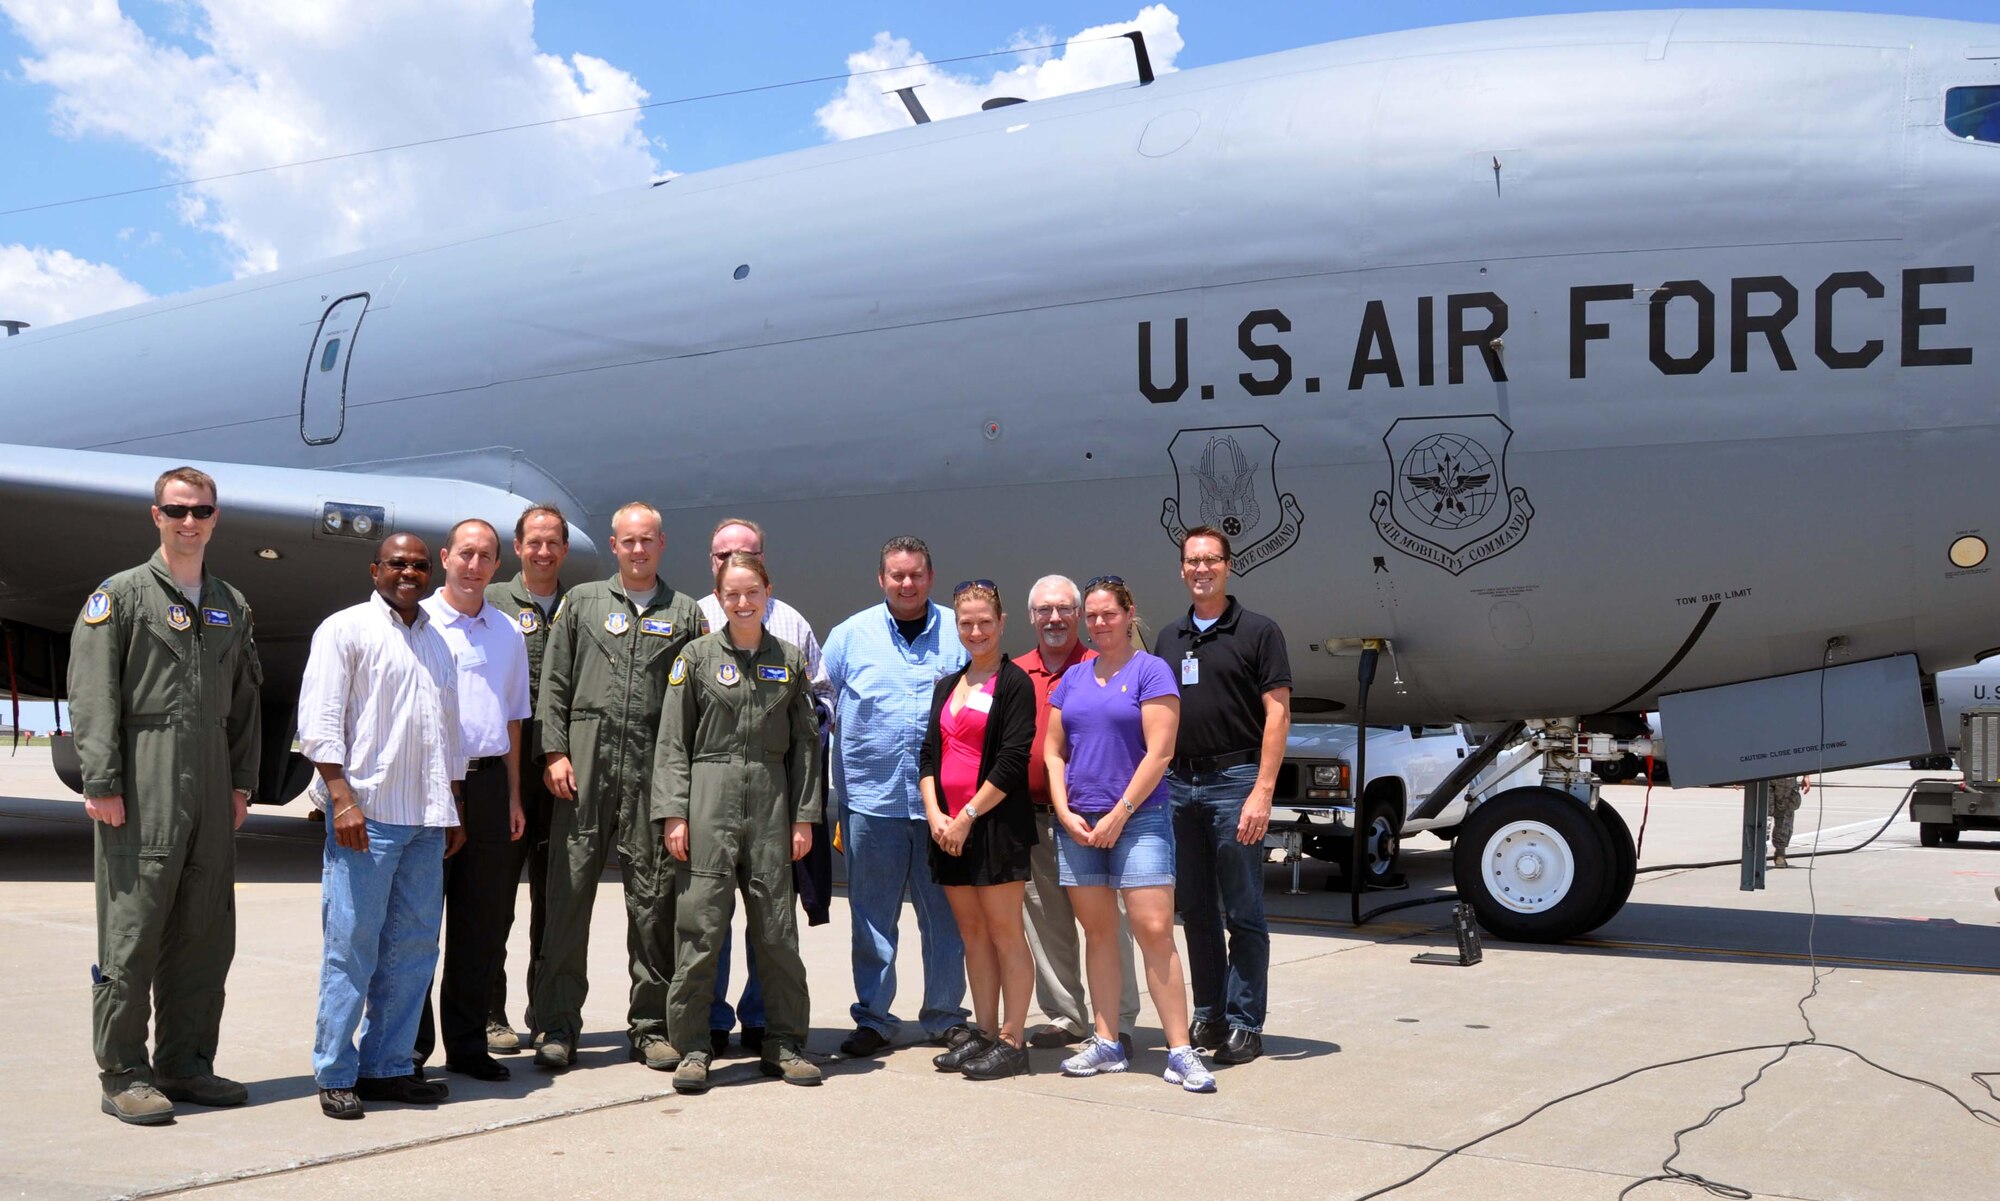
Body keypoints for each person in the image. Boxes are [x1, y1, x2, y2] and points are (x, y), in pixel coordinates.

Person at [69, 466, 261, 1125]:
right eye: (176, 509)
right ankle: (123, 1070)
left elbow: (245, 701)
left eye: (201, 509)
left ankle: (187, 1063)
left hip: (210, 776)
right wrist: (103, 782)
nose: (189, 520)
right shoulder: (119, 596)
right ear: (156, 514)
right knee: (134, 930)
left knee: (206, 930)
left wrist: (240, 781)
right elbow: (93, 694)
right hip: (144, 773)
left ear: (214, 518)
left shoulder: (230, 603)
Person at [531, 503, 705, 1072]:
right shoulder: (581, 604)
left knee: (653, 905)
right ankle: (556, 1025)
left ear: (661, 543)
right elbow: (553, 682)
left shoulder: (684, 614)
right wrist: (555, 751)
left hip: (651, 774)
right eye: (628, 541)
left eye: (647, 540)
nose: (637, 550)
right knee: (567, 899)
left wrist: (680, 786)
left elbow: (694, 705)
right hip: (583, 770)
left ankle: (651, 1026)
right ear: (614, 544)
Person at [299, 533, 466, 1120]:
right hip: (365, 817)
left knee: (415, 947)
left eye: (419, 565)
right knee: (352, 946)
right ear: (375, 569)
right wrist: (341, 798)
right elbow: (320, 722)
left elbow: (448, 734)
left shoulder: (438, 642)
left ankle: (389, 1066)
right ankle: (335, 1071)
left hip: (425, 818)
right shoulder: (344, 629)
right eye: (397, 563)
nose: (409, 572)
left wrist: (452, 808)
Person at [655, 551, 824, 1093]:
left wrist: (804, 817)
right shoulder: (696, 658)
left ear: (767, 592)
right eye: (733, 593)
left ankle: (783, 1041)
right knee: (702, 926)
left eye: (752, 592)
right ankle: (693, 1046)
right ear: (719, 597)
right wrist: (674, 813)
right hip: (708, 797)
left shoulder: (791, 660)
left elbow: (805, 748)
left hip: (773, 803)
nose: (743, 602)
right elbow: (672, 742)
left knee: (776, 927)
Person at [1046, 577, 1214, 1093]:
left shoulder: (1152, 671)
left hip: (1137, 820)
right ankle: (1106, 1041)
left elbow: (1160, 753)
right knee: (1098, 935)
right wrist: (1063, 809)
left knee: (1155, 931)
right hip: (1078, 821)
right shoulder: (1072, 679)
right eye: (1091, 616)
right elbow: (1054, 752)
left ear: (1128, 614)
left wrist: (1120, 812)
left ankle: (1180, 1051)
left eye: (1108, 614)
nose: (1099, 623)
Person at [692, 518, 833, 1059]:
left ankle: (759, 1015)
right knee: (709, 915)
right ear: (712, 561)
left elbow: (821, 697)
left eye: (744, 553)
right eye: (723, 553)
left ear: (764, 564)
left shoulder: (792, 625)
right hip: (715, 795)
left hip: (771, 794)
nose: (733, 561)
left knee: (769, 915)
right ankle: (708, 1018)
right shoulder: (696, 619)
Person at [823, 535, 969, 1056]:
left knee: (946, 919)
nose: (906, 584)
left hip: (943, 808)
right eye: (896, 575)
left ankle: (946, 1016)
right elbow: (826, 708)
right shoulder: (848, 637)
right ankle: (874, 1018)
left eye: (916, 574)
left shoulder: (961, 632)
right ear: (881, 579)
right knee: (871, 916)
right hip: (871, 801)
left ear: (930, 576)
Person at [1153, 526, 1291, 1067]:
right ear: (1182, 570)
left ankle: (1244, 1022)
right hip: (1178, 787)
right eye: (1193, 561)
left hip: (1235, 781)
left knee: (1244, 910)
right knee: (1197, 912)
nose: (1202, 568)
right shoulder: (1169, 638)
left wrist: (1262, 791)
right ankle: (1209, 1012)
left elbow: (1277, 714)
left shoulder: (1259, 632)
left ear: (1228, 566)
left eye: (1211, 559)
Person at [413, 520, 531, 1083]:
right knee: (416, 921)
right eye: (465, 553)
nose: (474, 565)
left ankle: (465, 1042)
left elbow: (512, 719)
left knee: (479, 924)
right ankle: (408, 1047)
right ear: (445, 558)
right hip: (431, 783)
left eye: (485, 556)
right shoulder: (419, 622)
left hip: (486, 787)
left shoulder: (508, 631)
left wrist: (512, 795)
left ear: (496, 566)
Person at [918, 581, 1038, 1080]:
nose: (975, 631)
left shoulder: (1014, 683)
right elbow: (927, 755)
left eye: (984, 621)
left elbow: (1012, 762)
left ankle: (1014, 1038)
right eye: (966, 622)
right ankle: (984, 1032)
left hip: (993, 828)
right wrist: (937, 816)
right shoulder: (949, 684)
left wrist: (967, 817)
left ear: (1001, 622)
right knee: (972, 935)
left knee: (1005, 932)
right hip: (948, 829)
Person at [1016, 574, 1140, 1052]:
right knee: (1046, 921)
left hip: (1099, 817)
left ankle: (1121, 1019)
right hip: (1036, 814)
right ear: (1030, 617)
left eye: (1065, 609)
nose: (1054, 618)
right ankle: (1067, 1015)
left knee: (1109, 922)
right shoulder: (1015, 672)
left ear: (1080, 616)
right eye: (1044, 609)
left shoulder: (1101, 665)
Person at [482, 503, 569, 1053]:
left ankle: (545, 1010)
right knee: (494, 899)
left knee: (553, 899)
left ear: (563, 549)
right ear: (518, 547)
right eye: (532, 542)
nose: (542, 551)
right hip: (502, 771)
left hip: (559, 773)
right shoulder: (491, 601)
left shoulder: (581, 606)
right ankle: (491, 1012)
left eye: (551, 542)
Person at [1770, 776, 1807, 868]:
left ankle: (1780, 853)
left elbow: (1803, 761)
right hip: (1763, 778)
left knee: (1785, 817)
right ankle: (1757, 853)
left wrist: (1806, 776)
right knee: (1760, 814)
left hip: (1787, 779)